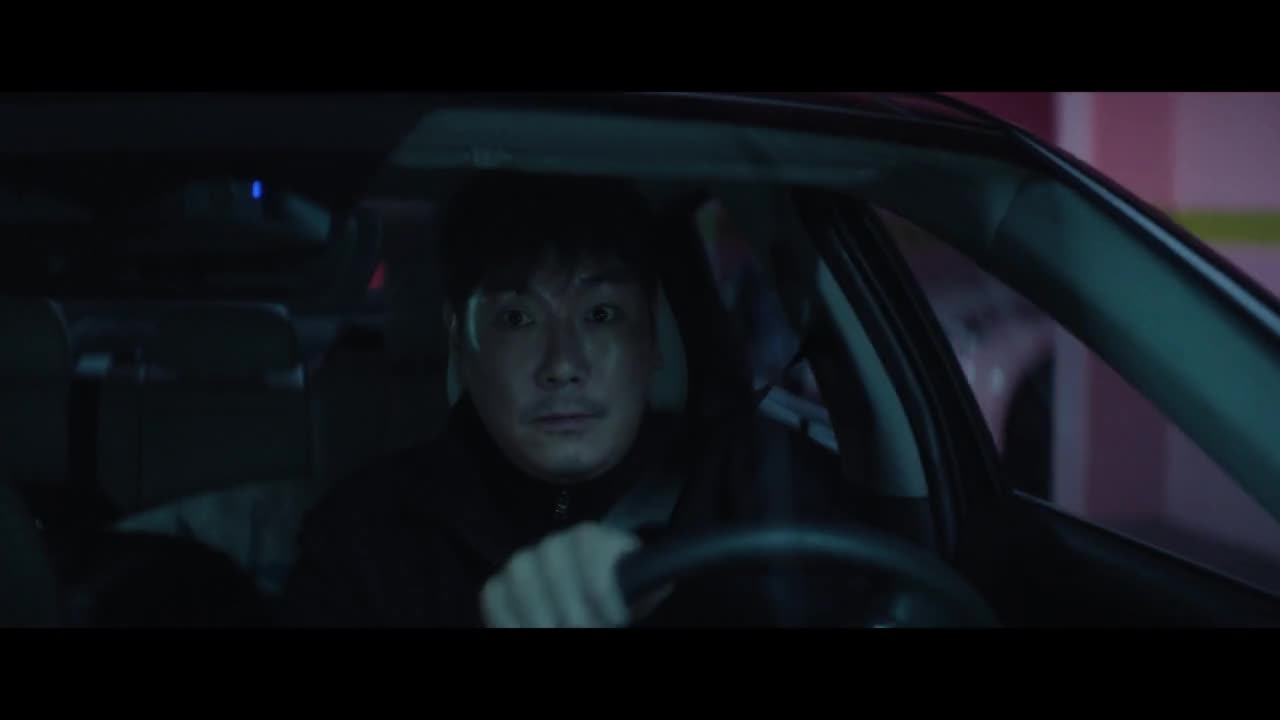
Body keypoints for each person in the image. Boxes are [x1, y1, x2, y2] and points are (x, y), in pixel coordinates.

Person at [278, 171, 857, 627]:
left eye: (601, 314)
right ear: (461, 343)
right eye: (517, 319)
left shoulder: (758, 481)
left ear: (651, 339)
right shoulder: (365, 536)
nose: (562, 365)